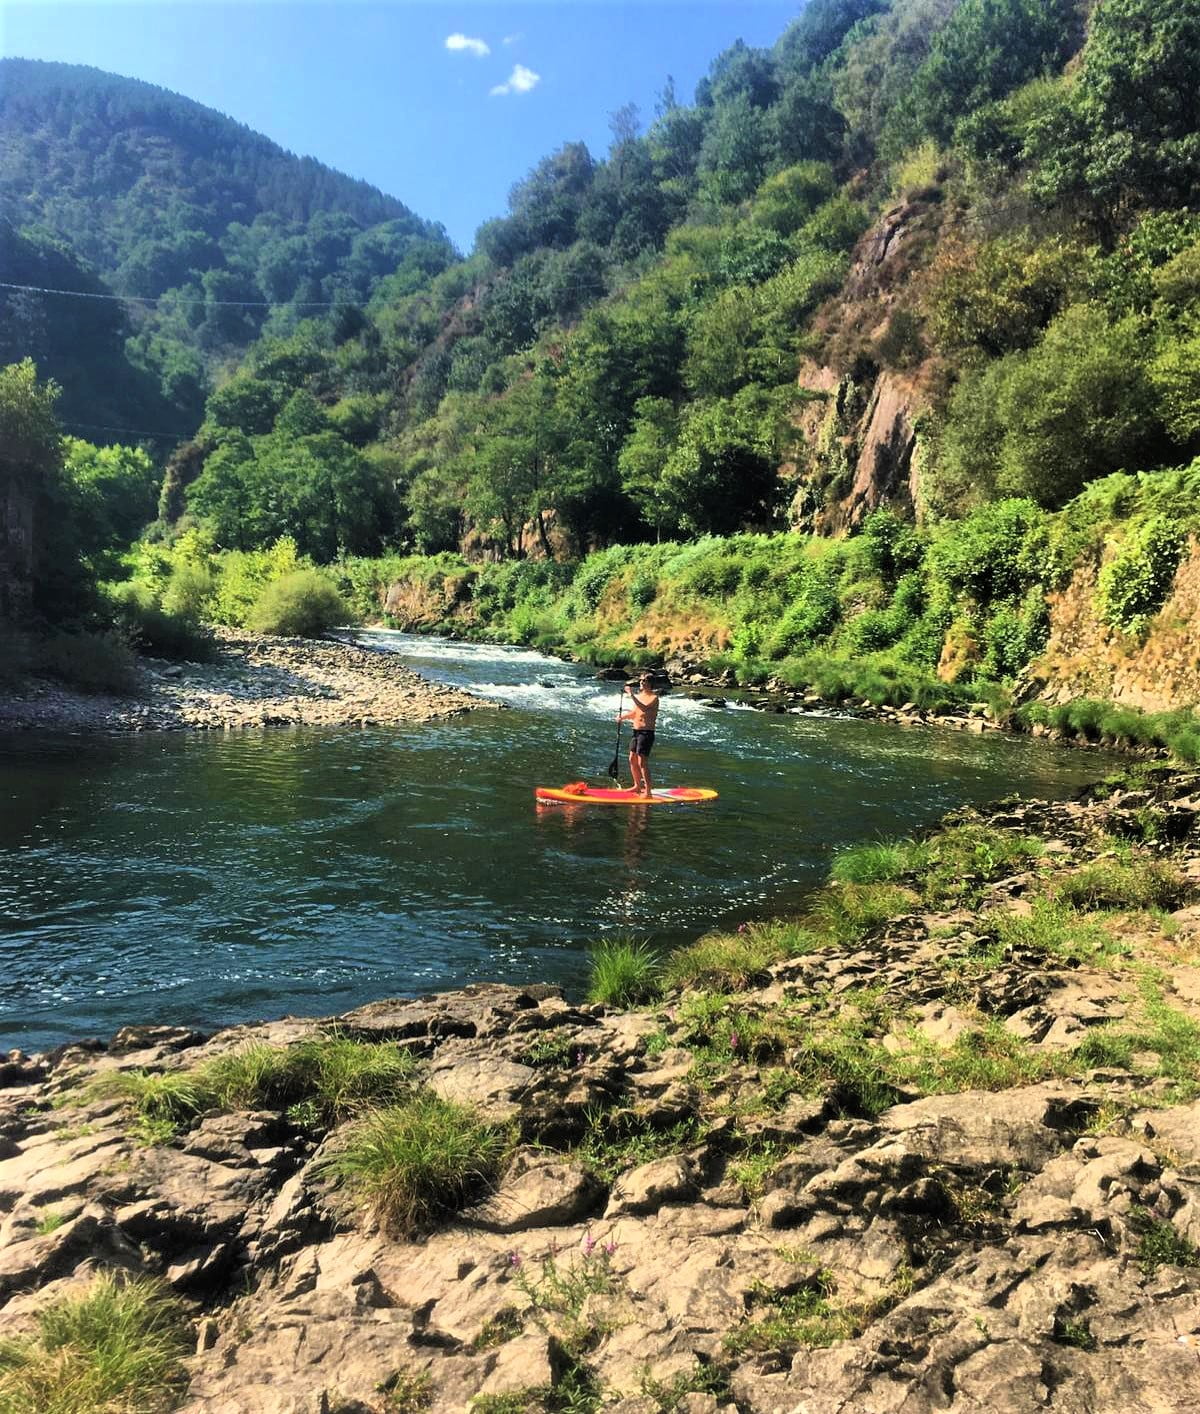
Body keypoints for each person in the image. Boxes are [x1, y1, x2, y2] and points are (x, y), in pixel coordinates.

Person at [620, 672, 660, 797]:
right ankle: (637, 786)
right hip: (636, 732)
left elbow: (644, 708)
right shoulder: (640, 696)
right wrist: (623, 717)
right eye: (641, 680)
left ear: (650, 684)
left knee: (642, 762)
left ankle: (648, 792)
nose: (641, 682)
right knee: (632, 759)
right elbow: (635, 713)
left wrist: (631, 695)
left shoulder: (654, 698)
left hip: (646, 733)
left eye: (644, 681)